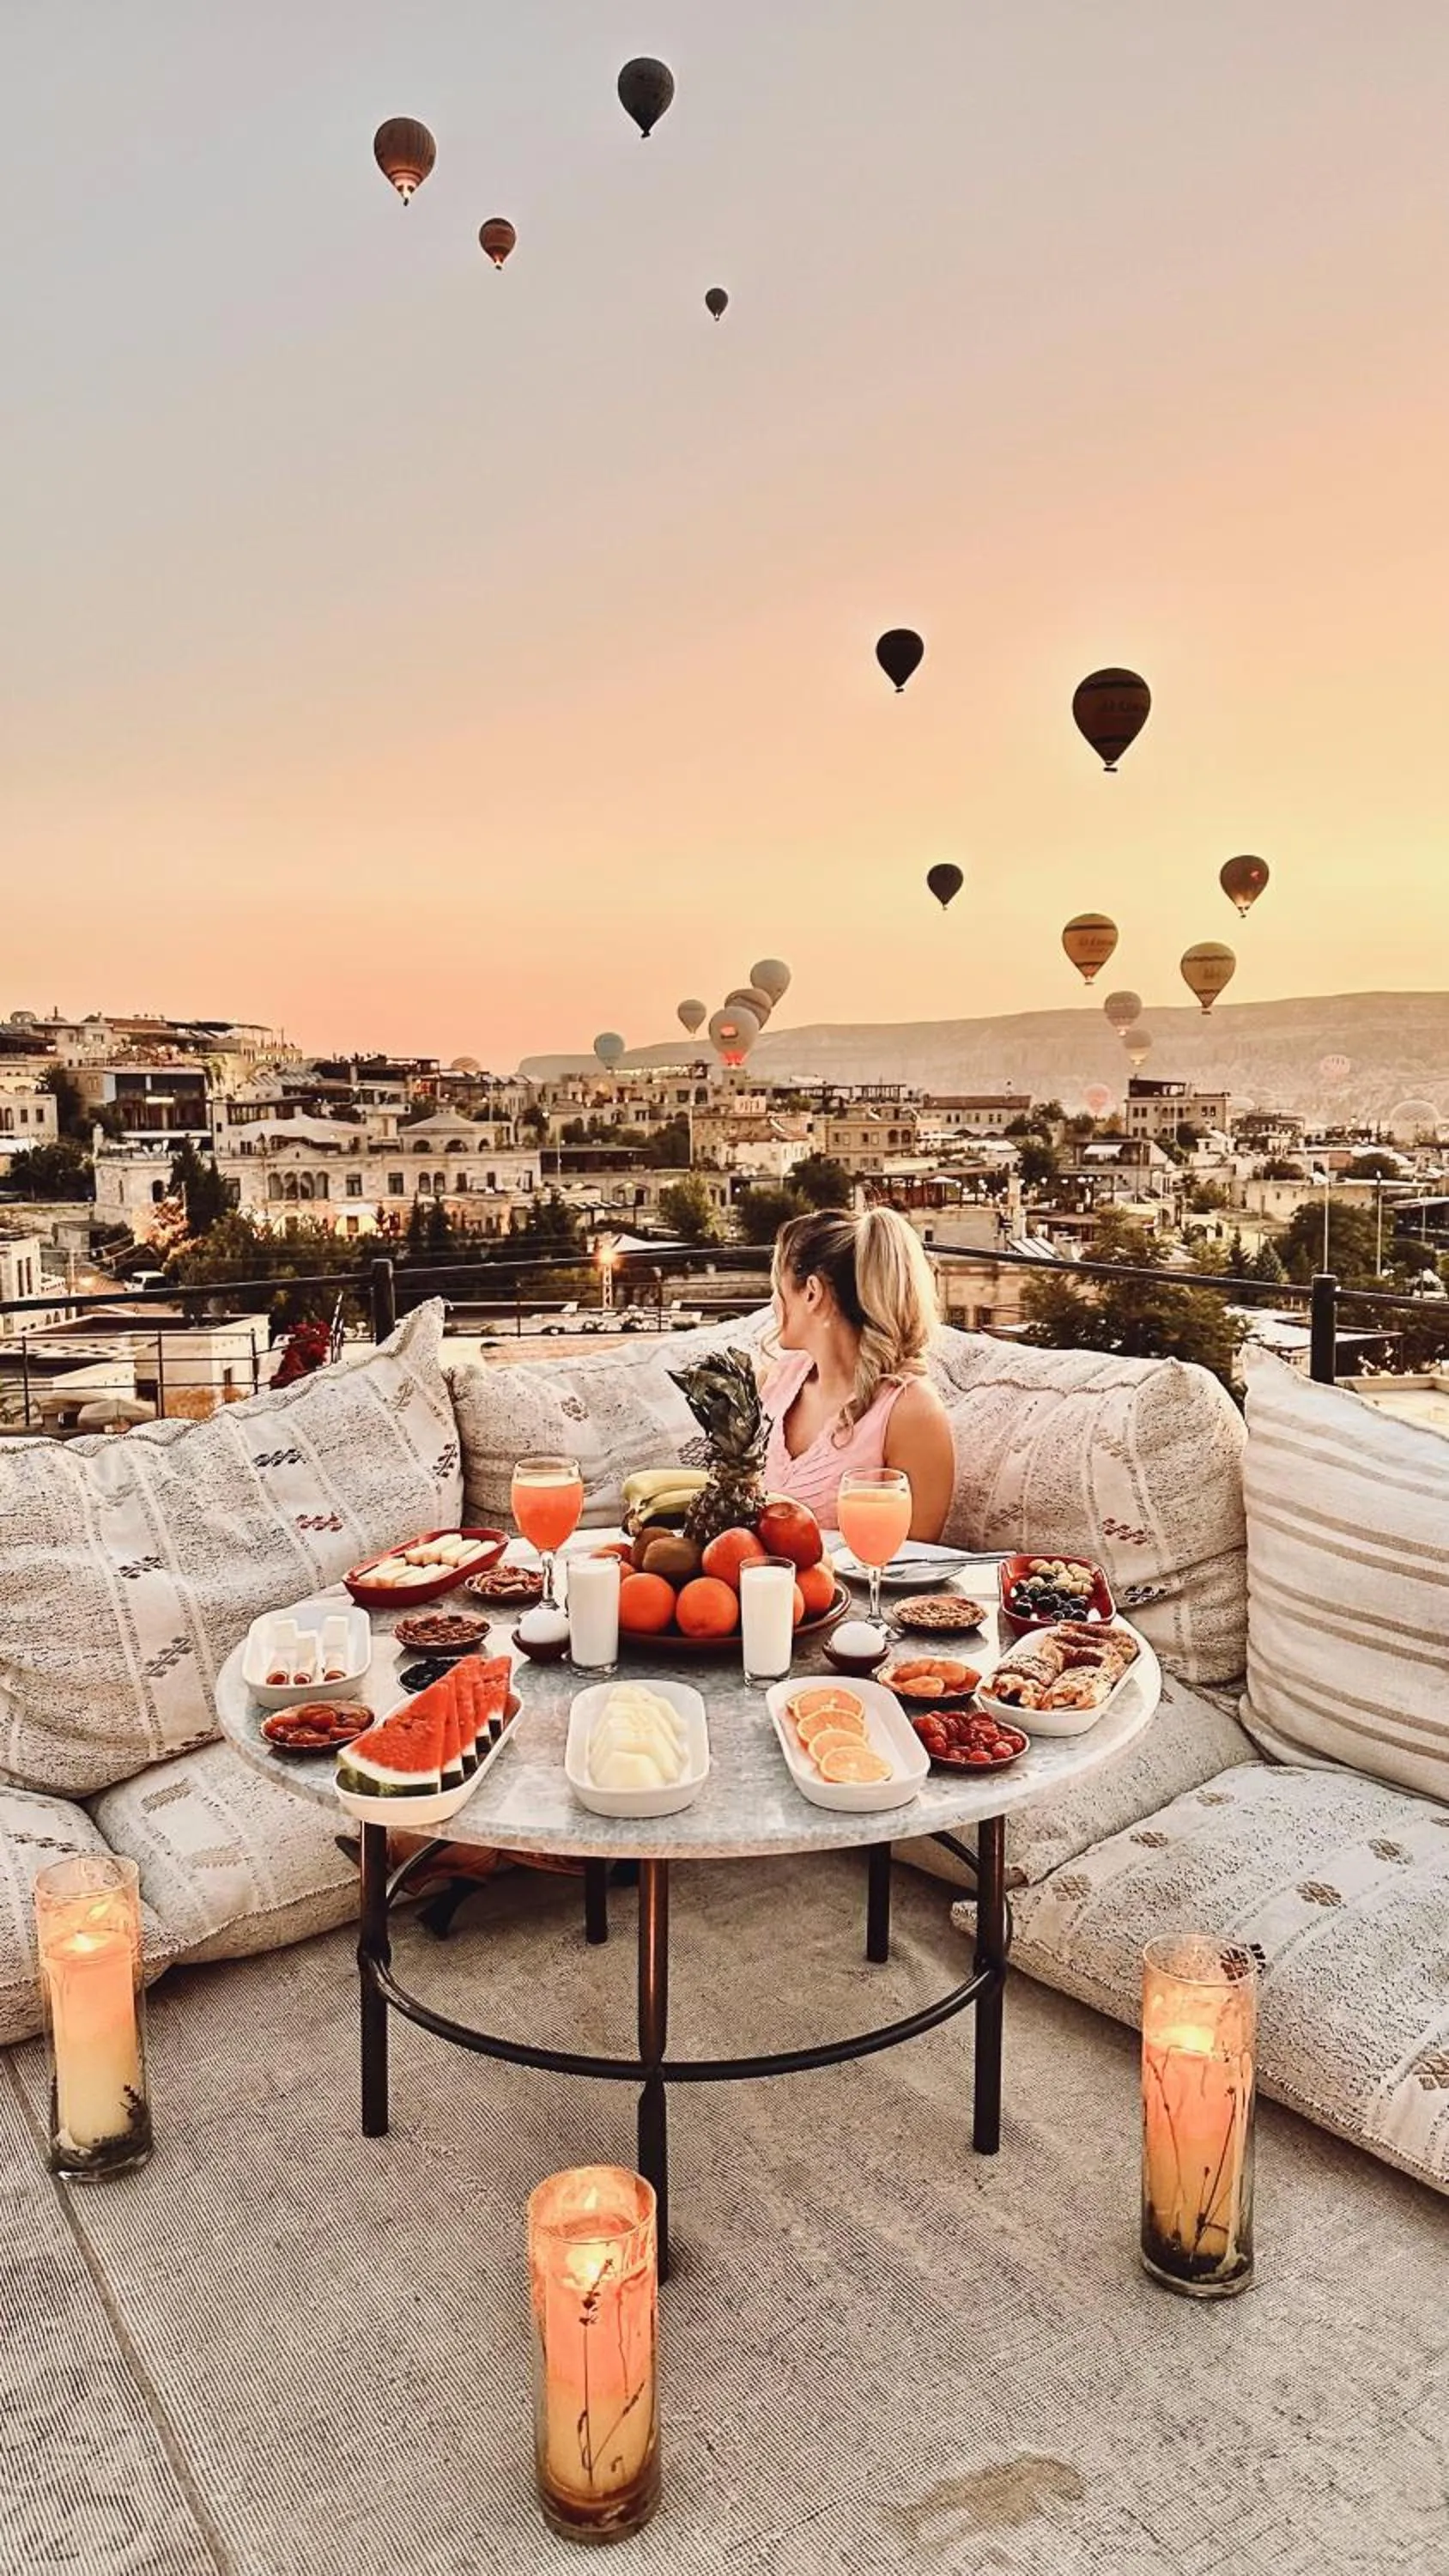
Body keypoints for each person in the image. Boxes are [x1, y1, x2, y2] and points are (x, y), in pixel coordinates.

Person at [760, 1207, 955, 1538]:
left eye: (778, 1288)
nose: (774, 1302)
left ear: (812, 1293)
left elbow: (916, 1557)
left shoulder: (911, 1412)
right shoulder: (774, 1383)